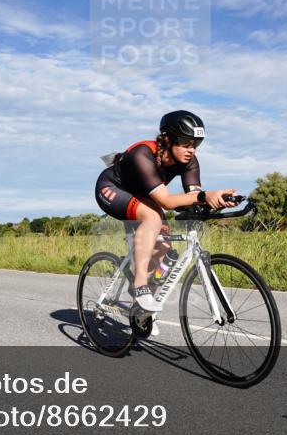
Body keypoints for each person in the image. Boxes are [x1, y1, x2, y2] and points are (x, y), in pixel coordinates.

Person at [94, 111, 236, 312]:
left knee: (164, 246)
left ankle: (142, 312)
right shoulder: (142, 154)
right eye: (186, 144)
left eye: (195, 145)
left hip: (142, 194)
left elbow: (193, 198)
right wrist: (205, 196)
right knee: (152, 218)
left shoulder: (189, 162)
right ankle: (139, 284)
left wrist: (217, 201)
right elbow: (167, 202)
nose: (191, 150)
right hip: (112, 189)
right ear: (167, 139)